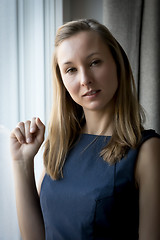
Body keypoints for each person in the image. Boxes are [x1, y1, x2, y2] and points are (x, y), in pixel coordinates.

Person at [10, 19, 160, 240]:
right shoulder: (60, 146)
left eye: (94, 62)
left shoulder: (147, 151)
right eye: (71, 69)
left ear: (117, 64)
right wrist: (21, 163)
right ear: (62, 80)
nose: (85, 80)